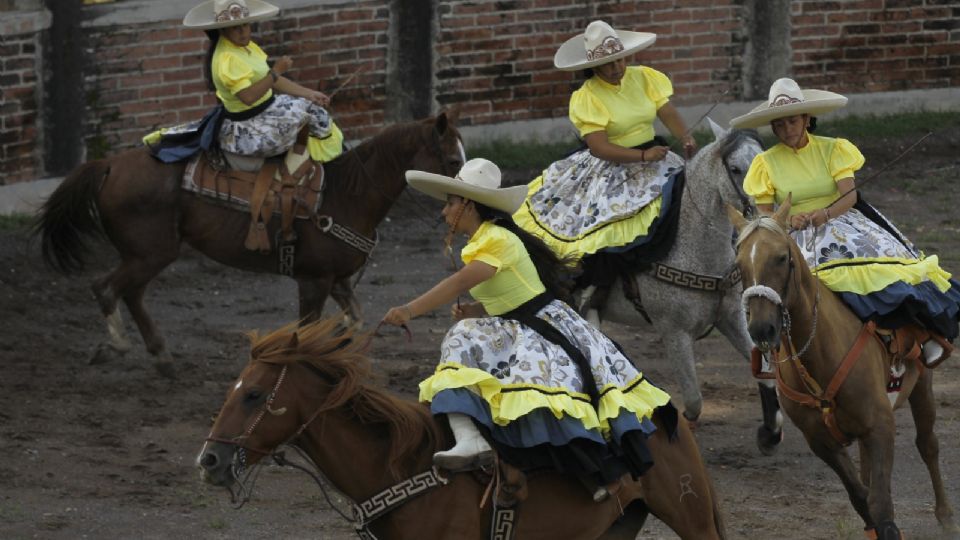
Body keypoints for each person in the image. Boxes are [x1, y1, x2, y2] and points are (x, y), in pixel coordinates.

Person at [381, 158, 676, 501]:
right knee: (479, 350)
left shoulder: (497, 239)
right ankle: (480, 441)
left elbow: (460, 281)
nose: (444, 212)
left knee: (483, 353)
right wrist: (476, 309)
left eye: (450, 203)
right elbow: (510, 290)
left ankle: (586, 471)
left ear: (468, 205)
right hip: (517, 322)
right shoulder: (486, 240)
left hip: (540, 326)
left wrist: (409, 309)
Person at [731, 77, 960, 367]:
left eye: (791, 122)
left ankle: (914, 335)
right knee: (775, 282)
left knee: (883, 271)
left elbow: (849, 197)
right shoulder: (765, 162)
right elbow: (765, 216)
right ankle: (773, 351)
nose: (786, 130)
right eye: (778, 124)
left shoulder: (833, 148)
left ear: (806, 118)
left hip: (841, 221)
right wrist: (789, 219)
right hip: (794, 232)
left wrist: (823, 214)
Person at [512, 20, 697, 321]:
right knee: (606, 222)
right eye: (608, 63)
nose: (616, 68)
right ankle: (594, 286)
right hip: (611, 163)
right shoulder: (587, 96)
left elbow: (667, 112)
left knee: (693, 193)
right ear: (594, 65)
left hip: (654, 153)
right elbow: (599, 146)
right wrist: (641, 155)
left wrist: (686, 136)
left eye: (621, 59)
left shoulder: (645, 78)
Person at [147, 0, 343, 163]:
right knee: (309, 118)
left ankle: (324, 164)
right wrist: (276, 71)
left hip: (268, 107)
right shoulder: (228, 59)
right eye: (235, 28)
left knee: (316, 110)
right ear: (223, 30)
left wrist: (309, 93)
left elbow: (271, 81)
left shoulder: (246, 46)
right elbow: (249, 97)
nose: (243, 32)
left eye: (245, 25)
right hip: (250, 124)